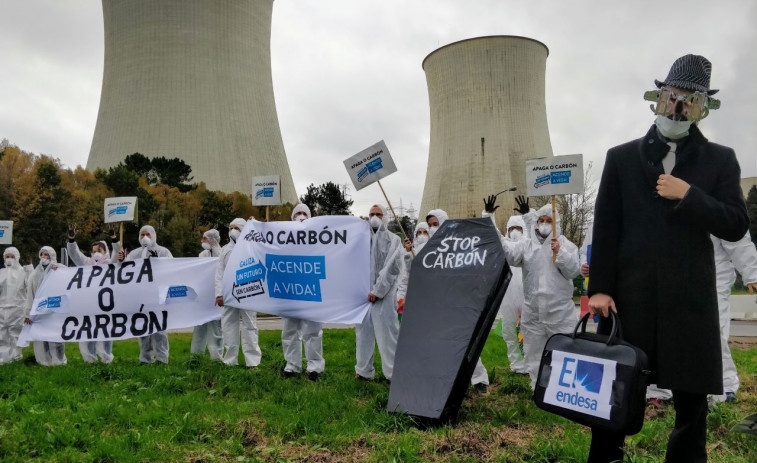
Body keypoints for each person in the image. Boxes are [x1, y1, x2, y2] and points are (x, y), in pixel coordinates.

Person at [587, 54, 748, 462]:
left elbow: (734, 223)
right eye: (671, 97)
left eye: (689, 101)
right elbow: (606, 226)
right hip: (629, 297)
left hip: (689, 300)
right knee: (616, 390)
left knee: (691, 403)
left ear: (703, 108)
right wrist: (600, 288)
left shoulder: (720, 159)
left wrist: (690, 195)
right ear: (658, 97)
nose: (677, 108)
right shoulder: (621, 157)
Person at [499, 198, 580, 390]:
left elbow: (573, 271)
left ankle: (564, 389)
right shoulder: (527, 245)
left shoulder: (566, 245)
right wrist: (488, 219)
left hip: (560, 312)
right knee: (534, 351)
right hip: (533, 311)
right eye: (541, 220)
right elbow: (510, 253)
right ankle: (539, 387)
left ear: (556, 223)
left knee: (564, 350)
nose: (544, 224)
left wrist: (560, 253)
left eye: (549, 220)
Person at [427, 207, 491, 393]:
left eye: (436, 224)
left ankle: (479, 379)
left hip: (459, 302)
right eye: (430, 225)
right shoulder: (429, 249)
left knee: (466, 341)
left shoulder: (461, 245)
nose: (432, 228)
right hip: (438, 304)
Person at [355, 204, 403, 381]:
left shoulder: (393, 240)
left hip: (384, 295)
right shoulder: (360, 239)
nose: (375, 217)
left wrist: (378, 290)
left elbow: (393, 268)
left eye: (378, 214)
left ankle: (392, 374)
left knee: (388, 335)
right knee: (363, 335)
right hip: (363, 296)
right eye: (371, 214)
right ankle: (363, 371)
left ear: (385, 217)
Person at [281, 204, 324, 380]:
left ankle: (315, 367)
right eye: (297, 213)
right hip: (289, 289)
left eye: (304, 213)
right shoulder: (282, 238)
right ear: (292, 217)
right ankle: (292, 365)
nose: (300, 216)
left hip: (311, 286)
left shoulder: (319, 238)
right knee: (289, 329)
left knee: (313, 329)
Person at [118, 225, 172, 364]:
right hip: (140, 296)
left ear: (154, 235)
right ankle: (145, 358)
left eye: (147, 234)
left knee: (159, 328)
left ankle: (162, 358)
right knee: (143, 327)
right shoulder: (135, 254)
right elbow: (125, 272)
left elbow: (172, 268)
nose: (145, 237)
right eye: (142, 235)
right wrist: (122, 260)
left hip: (157, 295)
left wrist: (158, 262)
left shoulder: (163, 251)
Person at [67, 225, 120, 363]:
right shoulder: (86, 263)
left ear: (105, 251)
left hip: (106, 304)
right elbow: (74, 254)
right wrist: (71, 239)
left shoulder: (110, 263)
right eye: (94, 250)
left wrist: (114, 238)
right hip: (89, 303)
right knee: (89, 330)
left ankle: (106, 357)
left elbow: (117, 252)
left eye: (99, 250)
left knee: (106, 330)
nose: (96, 253)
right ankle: (90, 358)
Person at [215, 218, 261, 368]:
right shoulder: (225, 249)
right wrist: (219, 294)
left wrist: (256, 225)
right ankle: (230, 361)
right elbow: (219, 273)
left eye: (236, 228)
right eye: (230, 227)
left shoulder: (252, 246)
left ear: (243, 230)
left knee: (250, 326)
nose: (232, 230)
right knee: (228, 326)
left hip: (248, 292)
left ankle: (252, 361)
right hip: (229, 293)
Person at [26, 246, 68, 366]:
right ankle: (44, 361)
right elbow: (30, 294)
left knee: (55, 336)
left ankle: (59, 360)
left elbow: (69, 275)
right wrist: (28, 313)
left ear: (52, 256)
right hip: (39, 310)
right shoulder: (34, 274)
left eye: (47, 255)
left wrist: (59, 268)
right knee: (41, 336)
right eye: (42, 255)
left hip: (55, 310)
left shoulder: (58, 269)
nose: (44, 257)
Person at [498, 215, 528, 375]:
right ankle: (516, 364)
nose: (515, 232)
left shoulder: (528, 246)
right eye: (511, 229)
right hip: (507, 296)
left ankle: (530, 363)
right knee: (509, 331)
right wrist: (487, 216)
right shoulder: (503, 247)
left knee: (529, 331)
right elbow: (494, 235)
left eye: (518, 228)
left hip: (526, 296)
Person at [190, 229, 223, 360]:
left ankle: (217, 358)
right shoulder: (202, 255)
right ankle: (196, 357)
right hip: (203, 297)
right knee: (199, 328)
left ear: (213, 239)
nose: (202, 241)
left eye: (205, 238)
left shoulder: (222, 254)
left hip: (216, 297)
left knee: (216, 330)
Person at [0, 247, 29, 364]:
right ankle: (4, 356)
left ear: (17, 257)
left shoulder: (23, 272)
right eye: (7, 256)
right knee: (2, 333)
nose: (9, 259)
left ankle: (16, 355)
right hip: (2, 307)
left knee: (15, 332)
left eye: (12, 256)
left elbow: (29, 288)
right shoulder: (1, 272)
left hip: (17, 307)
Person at [397, 222, 430, 321]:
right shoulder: (410, 252)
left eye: (425, 232)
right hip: (411, 297)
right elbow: (405, 277)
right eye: (419, 233)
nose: (422, 235)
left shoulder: (435, 253)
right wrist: (400, 297)